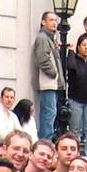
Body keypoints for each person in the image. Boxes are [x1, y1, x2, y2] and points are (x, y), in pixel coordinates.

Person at [32, 12, 64, 140]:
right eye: (51, 20)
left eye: (55, 20)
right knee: (49, 114)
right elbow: (43, 59)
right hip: (47, 83)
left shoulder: (51, 38)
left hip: (52, 83)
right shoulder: (43, 38)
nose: (54, 23)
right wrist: (54, 73)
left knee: (51, 114)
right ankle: (46, 142)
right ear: (43, 22)